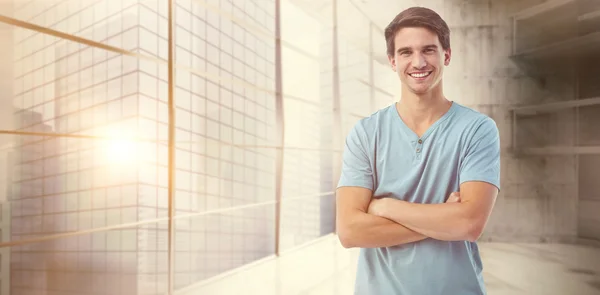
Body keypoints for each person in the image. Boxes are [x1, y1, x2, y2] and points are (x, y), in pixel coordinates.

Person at [335, 6, 501, 295]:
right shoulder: (366, 134)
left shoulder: (477, 130)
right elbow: (350, 231)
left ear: (446, 55)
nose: (418, 62)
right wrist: (444, 220)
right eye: (406, 52)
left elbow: (470, 223)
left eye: (429, 50)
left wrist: (386, 207)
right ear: (392, 60)